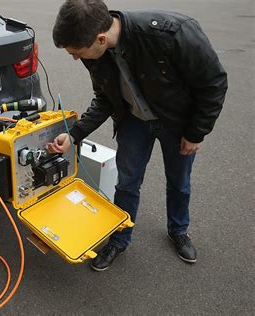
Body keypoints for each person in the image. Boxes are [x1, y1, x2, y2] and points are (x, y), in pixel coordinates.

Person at [47, 0, 228, 271]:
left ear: (100, 38)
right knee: (127, 184)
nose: (76, 58)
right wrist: (74, 135)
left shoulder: (172, 33)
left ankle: (178, 230)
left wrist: (196, 132)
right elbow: (105, 99)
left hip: (177, 123)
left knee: (179, 182)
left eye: (77, 53)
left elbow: (214, 83)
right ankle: (120, 239)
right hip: (133, 121)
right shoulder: (94, 51)